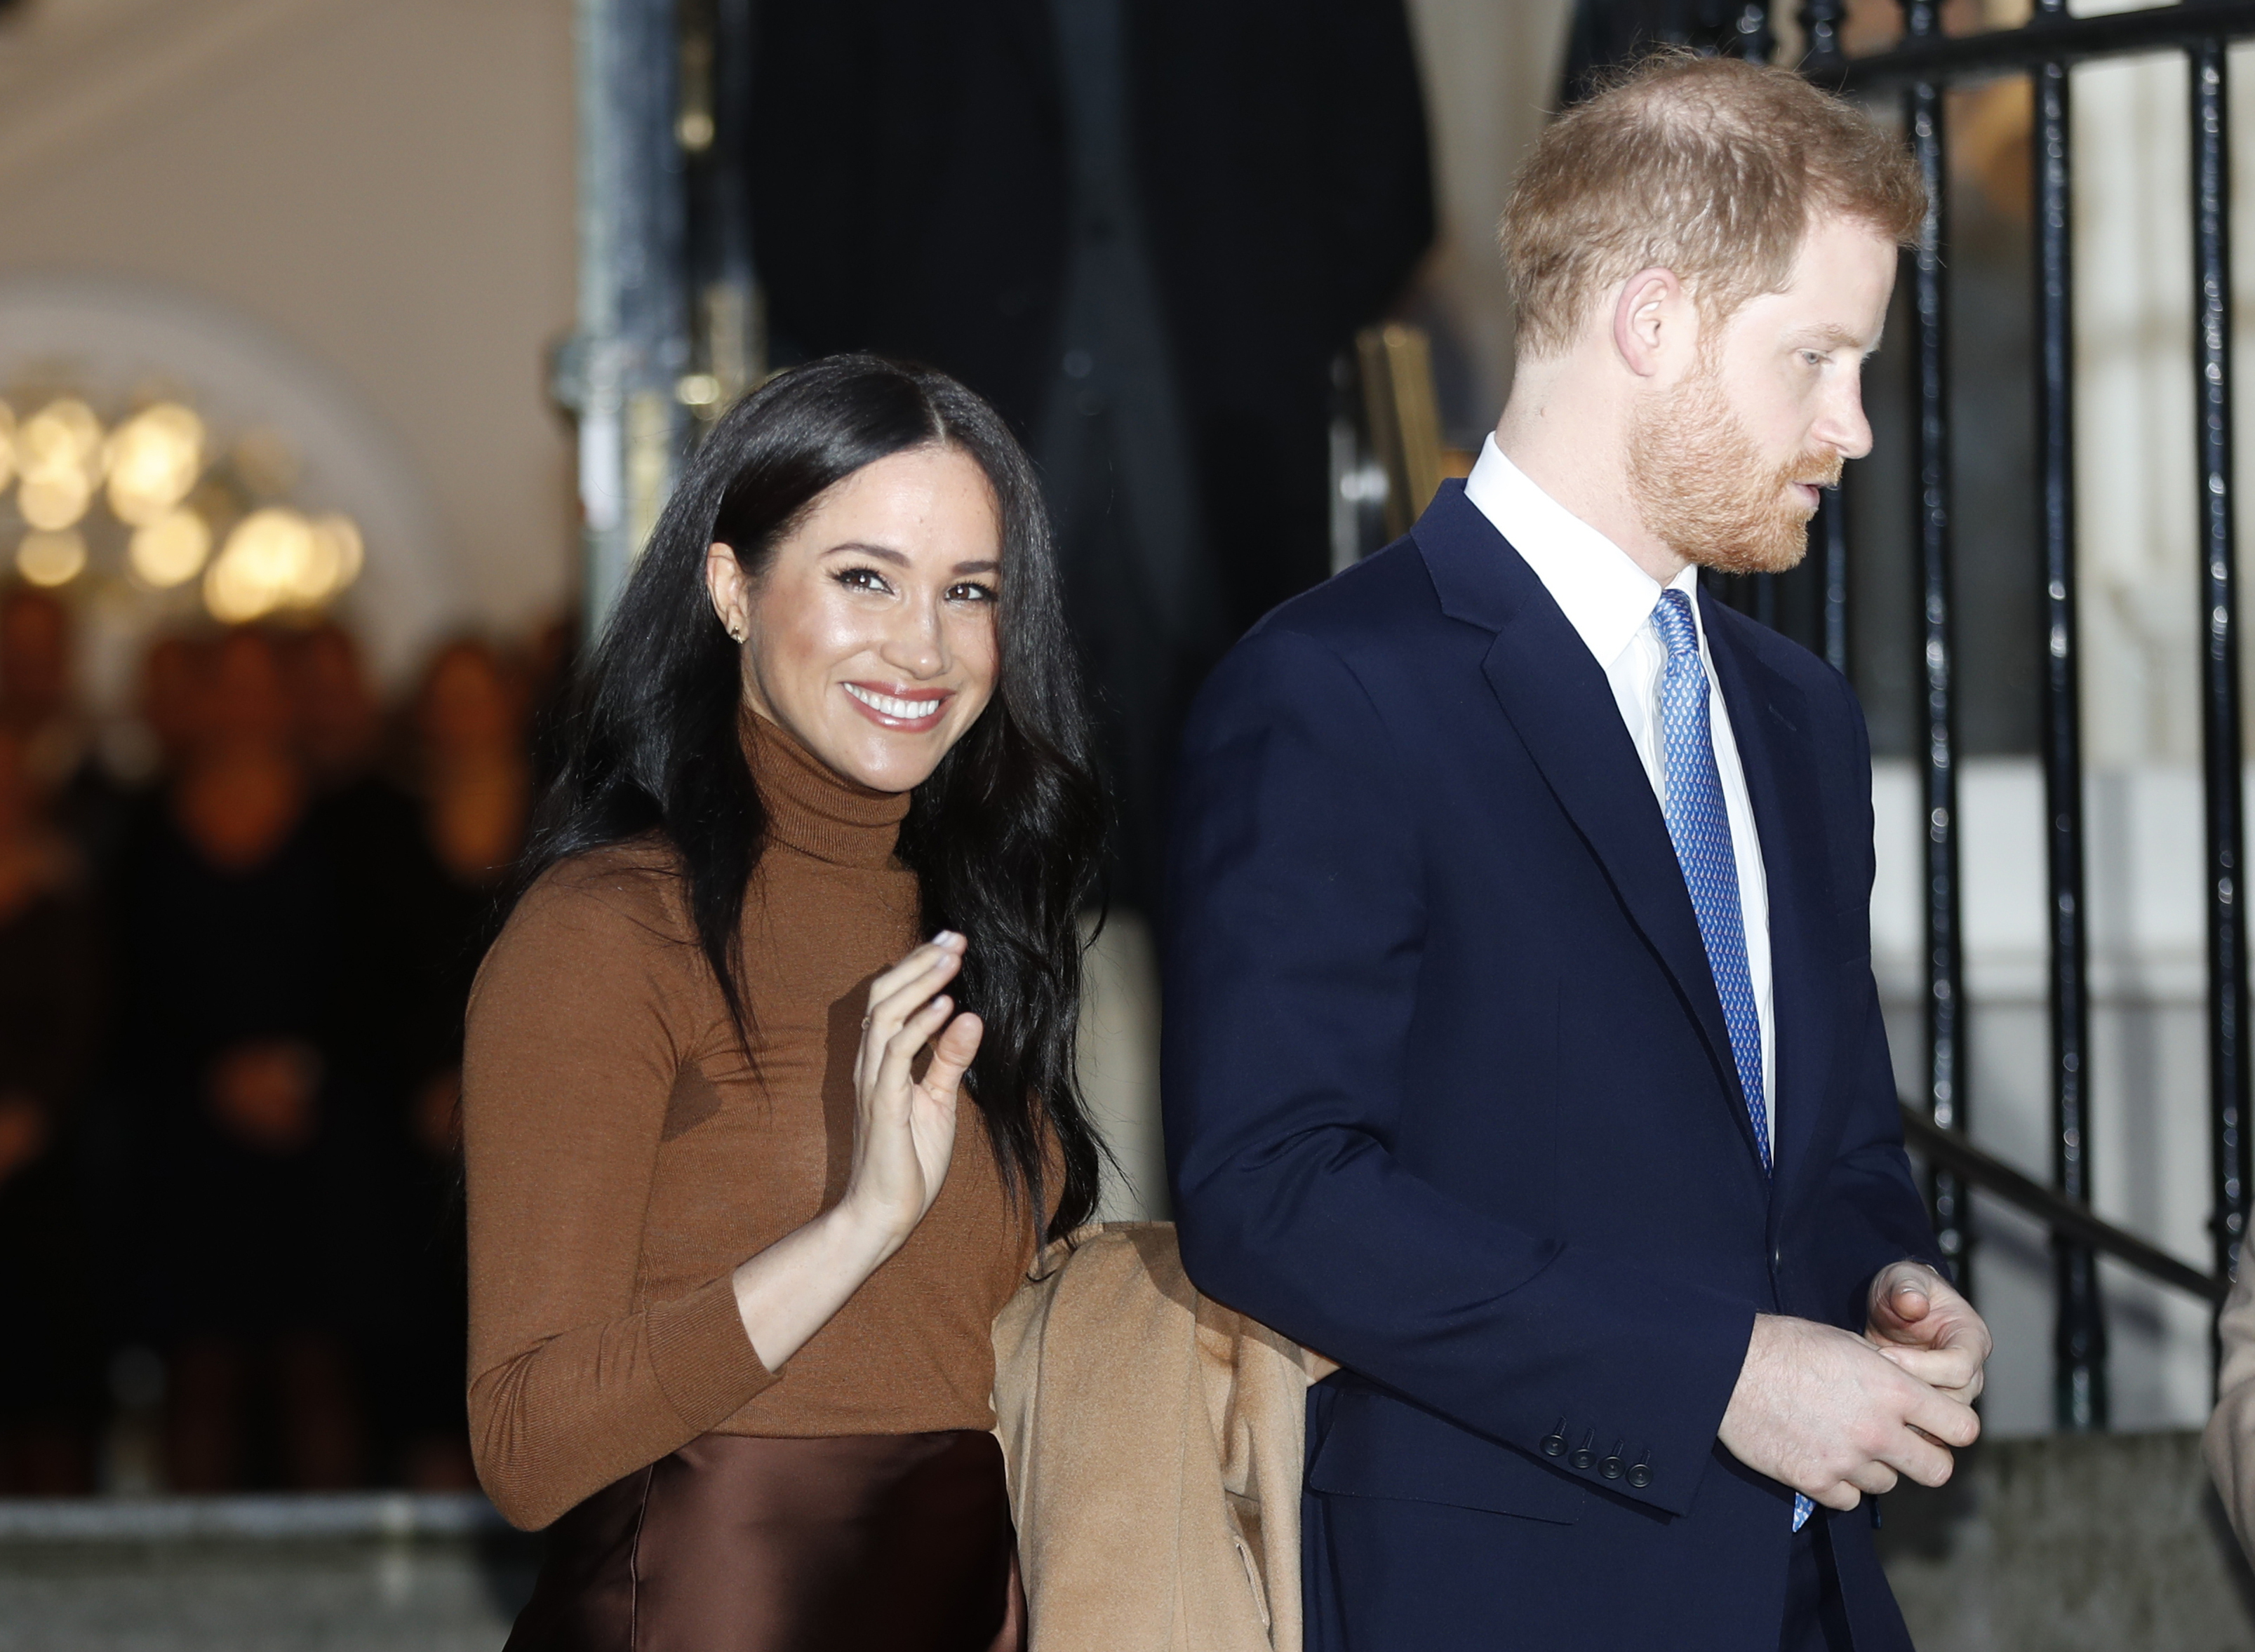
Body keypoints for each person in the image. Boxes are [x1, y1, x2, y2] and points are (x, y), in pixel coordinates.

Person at [1163, 56, 1993, 1651]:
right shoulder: (1331, 687)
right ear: (1653, 322)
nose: (1855, 428)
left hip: (1811, 1599)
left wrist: (1887, 1282)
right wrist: (1721, 1373)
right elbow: (1268, 1191)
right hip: (1497, 1598)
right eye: (1815, 358)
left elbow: (1824, 1154)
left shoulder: (1795, 716)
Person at [463, 354, 1108, 1651]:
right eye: (863, 577)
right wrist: (860, 1220)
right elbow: (527, 1448)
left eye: (967, 591)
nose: (920, 646)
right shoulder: (609, 934)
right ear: (731, 589)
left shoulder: (976, 927)